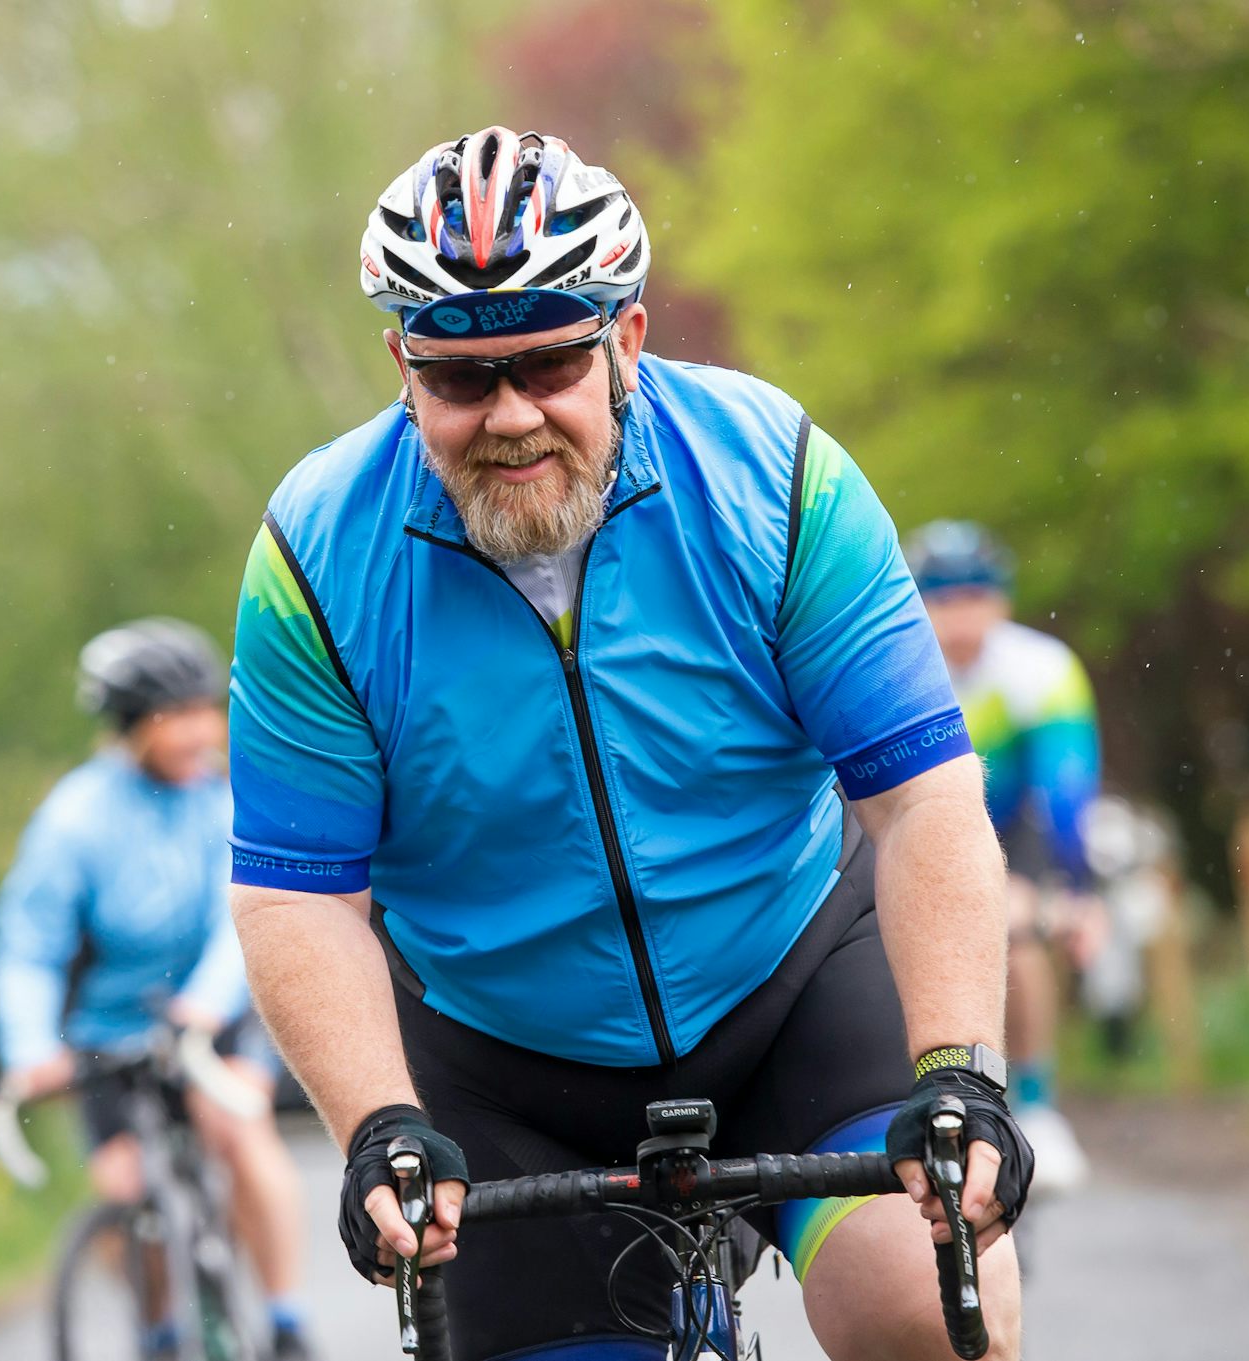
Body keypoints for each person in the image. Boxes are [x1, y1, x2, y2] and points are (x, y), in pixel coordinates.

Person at [229, 127, 1032, 1361]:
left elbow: (923, 798)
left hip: (793, 980)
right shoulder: (316, 560)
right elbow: (299, 891)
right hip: (504, 1064)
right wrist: (379, 1118)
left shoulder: (777, 477)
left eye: (548, 363)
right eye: (459, 379)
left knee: (925, 1309)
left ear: (629, 338)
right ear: (402, 364)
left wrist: (959, 1069)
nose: (508, 416)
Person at [0, 618, 315, 1359]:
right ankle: (162, 1327)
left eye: (206, 710)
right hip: (107, 1034)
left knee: (238, 1127)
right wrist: (31, 1048)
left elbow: (243, 912)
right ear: (132, 728)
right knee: (126, 1186)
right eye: (176, 717)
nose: (200, 731)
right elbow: (28, 947)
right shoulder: (75, 821)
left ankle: (289, 1321)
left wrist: (205, 1003)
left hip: (210, 1013)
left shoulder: (220, 799)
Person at [903, 521, 1104, 1191]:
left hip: (1013, 838)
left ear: (1003, 601)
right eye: (941, 598)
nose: (960, 616)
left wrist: (1079, 892)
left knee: (1014, 928)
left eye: (975, 596)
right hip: (912, 834)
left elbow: (1066, 794)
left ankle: (1040, 1107)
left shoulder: (1039, 668)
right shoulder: (892, 662)